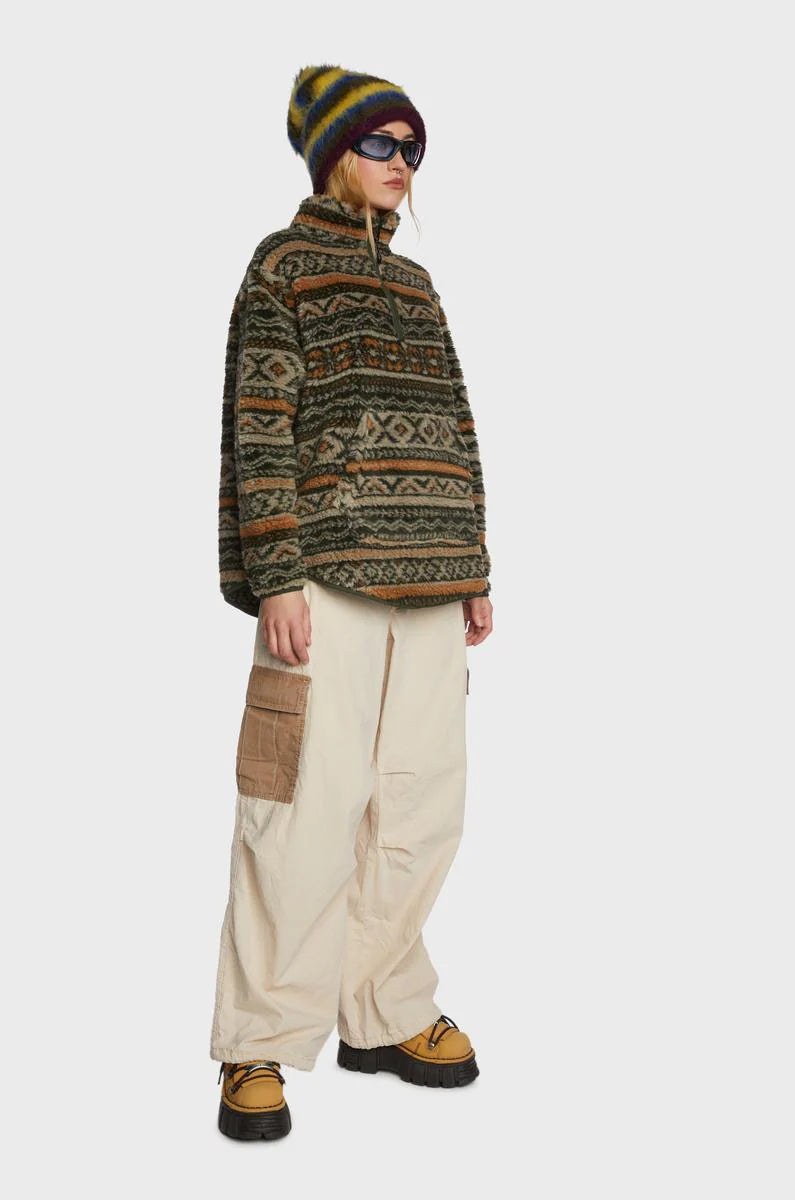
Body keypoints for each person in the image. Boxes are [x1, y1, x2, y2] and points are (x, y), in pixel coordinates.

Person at [210, 63, 494, 1141]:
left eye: (412, 147)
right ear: (335, 152)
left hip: (431, 583)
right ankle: (259, 1039)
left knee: (419, 807)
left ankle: (384, 1008)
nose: (401, 162)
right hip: (323, 581)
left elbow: (456, 426)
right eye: (381, 143)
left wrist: (473, 565)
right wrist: (275, 572)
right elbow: (259, 424)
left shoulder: (417, 286)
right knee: (296, 811)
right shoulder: (282, 267)